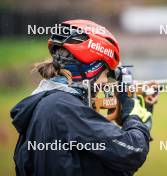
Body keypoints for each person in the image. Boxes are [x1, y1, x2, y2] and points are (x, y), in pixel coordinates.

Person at [10, 19, 158, 176]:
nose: (105, 81)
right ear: (90, 69)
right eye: (105, 73)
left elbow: (116, 169)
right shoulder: (62, 108)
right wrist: (134, 115)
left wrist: (144, 117)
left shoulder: (45, 104)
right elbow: (132, 152)